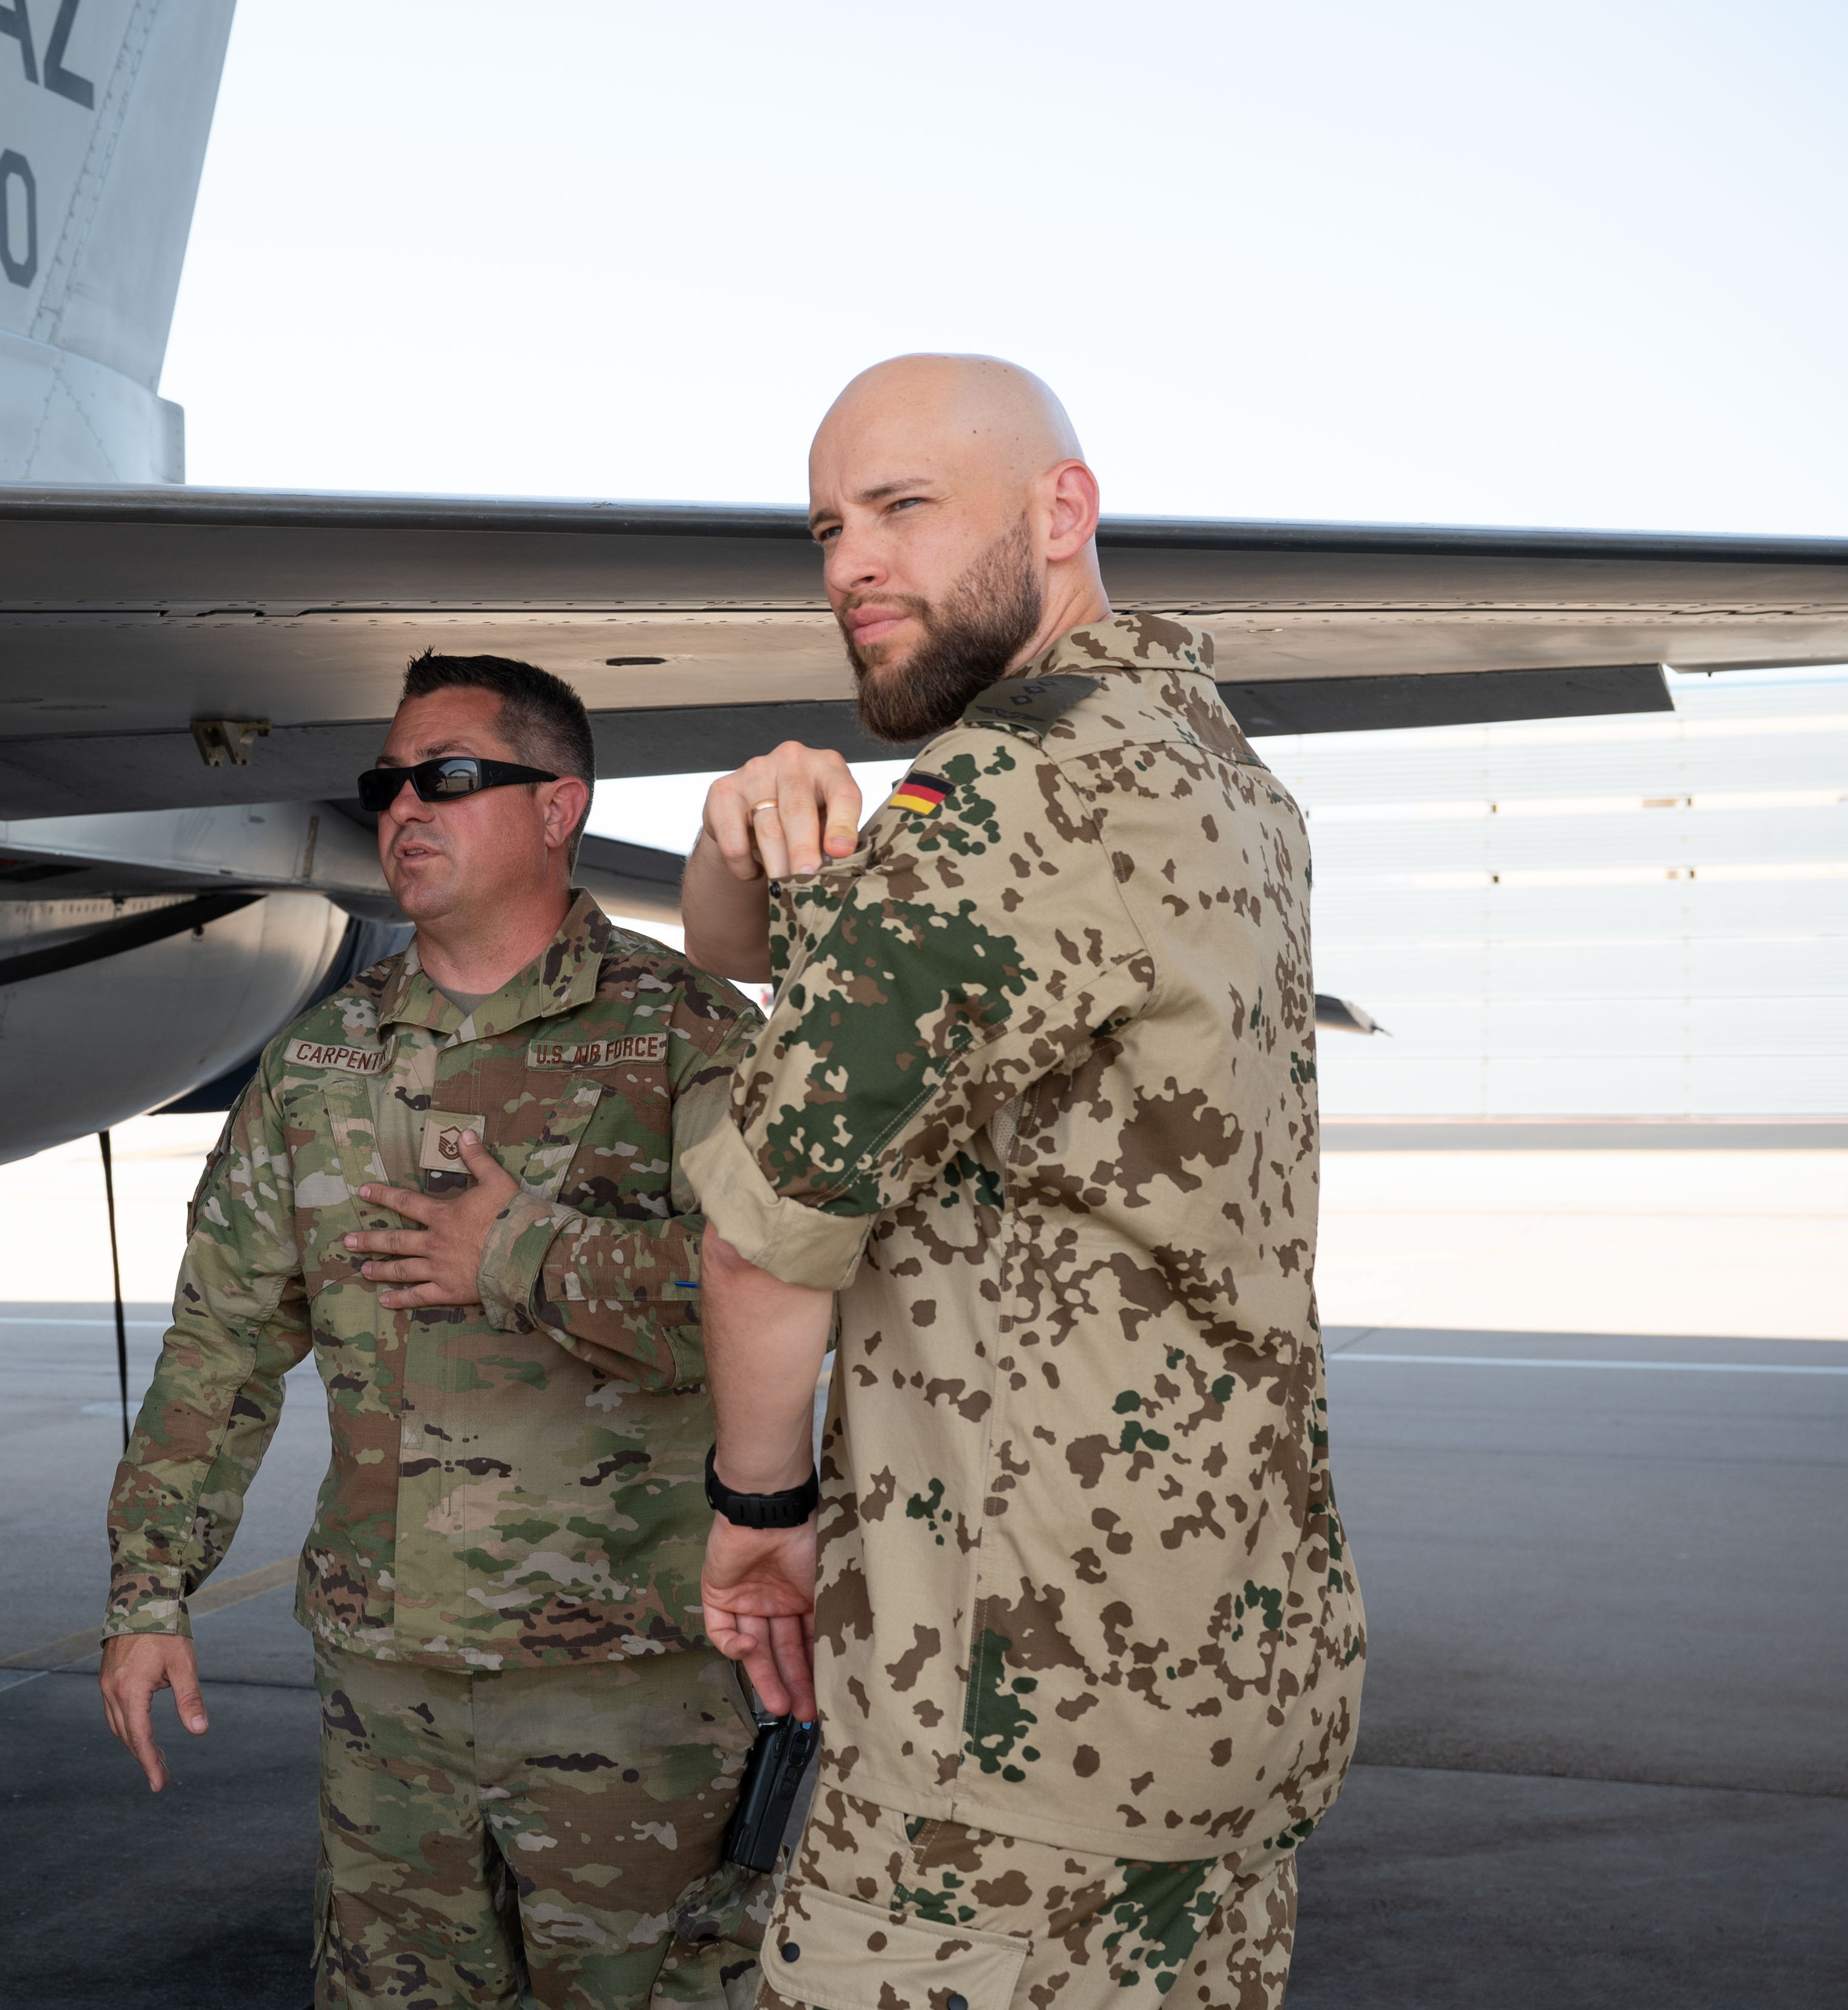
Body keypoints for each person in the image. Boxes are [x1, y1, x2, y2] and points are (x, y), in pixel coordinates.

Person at [677, 355, 1363, 2007]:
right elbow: (862, 1034)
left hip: (1003, 1755)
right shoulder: (1222, 777)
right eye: (830, 527)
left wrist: (758, 1517)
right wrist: (734, 861)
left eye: (906, 509)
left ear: (1063, 514)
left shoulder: (1009, 790)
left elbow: (768, 1226)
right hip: (1224, 1692)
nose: (851, 566)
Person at [101, 651, 772, 2008]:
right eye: (389, 781)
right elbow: (220, 1342)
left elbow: (776, 1290)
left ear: (557, 804)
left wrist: (520, 1251)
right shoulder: (322, 1061)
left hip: (632, 1689)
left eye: (451, 776)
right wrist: (146, 1590)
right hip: (386, 1691)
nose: (406, 805)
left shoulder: (679, 1036)